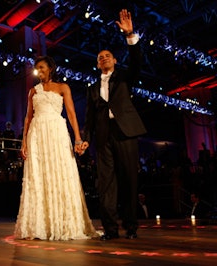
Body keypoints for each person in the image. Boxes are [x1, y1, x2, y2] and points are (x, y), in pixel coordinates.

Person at [14, 55, 99, 240]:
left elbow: (71, 114)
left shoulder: (63, 88)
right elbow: (28, 118)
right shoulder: (33, 91)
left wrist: (78, 138)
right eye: (38, 68)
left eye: (43, 67)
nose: (40, 71)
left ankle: (63, 223)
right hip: (37, 135)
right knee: (38, 176)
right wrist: (24, 142)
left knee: (60, 173)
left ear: (50, 68)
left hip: (56, 133)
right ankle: (39, 225)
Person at [81, 9, 147, 240]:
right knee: (105, 185)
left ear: (115, 60)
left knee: (129, 181)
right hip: (103, 138)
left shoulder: (125, 79)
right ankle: (110, 229)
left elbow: (137, 62)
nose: (104, 58)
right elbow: (88, 118)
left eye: (107, 55)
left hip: (126, 133)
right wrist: (84, 138)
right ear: (97, 64)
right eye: (100, 57)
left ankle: (131, 227)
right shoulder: (91, 88)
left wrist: (130, 35)